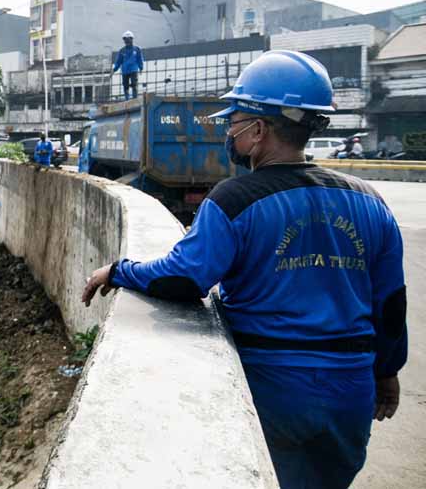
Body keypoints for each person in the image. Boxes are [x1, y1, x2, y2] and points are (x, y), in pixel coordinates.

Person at [80, 50, 407, 489]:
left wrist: (120, 271)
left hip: (271, 387)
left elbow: (184, 276)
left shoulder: (234, 199)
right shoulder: (370, 201)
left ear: (257, 130)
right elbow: (390, 304)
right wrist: (387, 372)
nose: (227, 133)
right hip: (349, 392)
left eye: (232, 123)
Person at [112, 30, 144, 100]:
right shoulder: (122, 51)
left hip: (133, 69)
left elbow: (140, 59)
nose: (127, 41)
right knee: (125, 85)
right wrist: (114, 70)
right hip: (125, 71)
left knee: (134, 84)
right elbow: (118, 61)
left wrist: (141, 67)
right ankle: (127, 99)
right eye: (125, 40)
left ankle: (135, 98)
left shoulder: (137, 49)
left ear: (132, 39)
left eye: (128, 39)